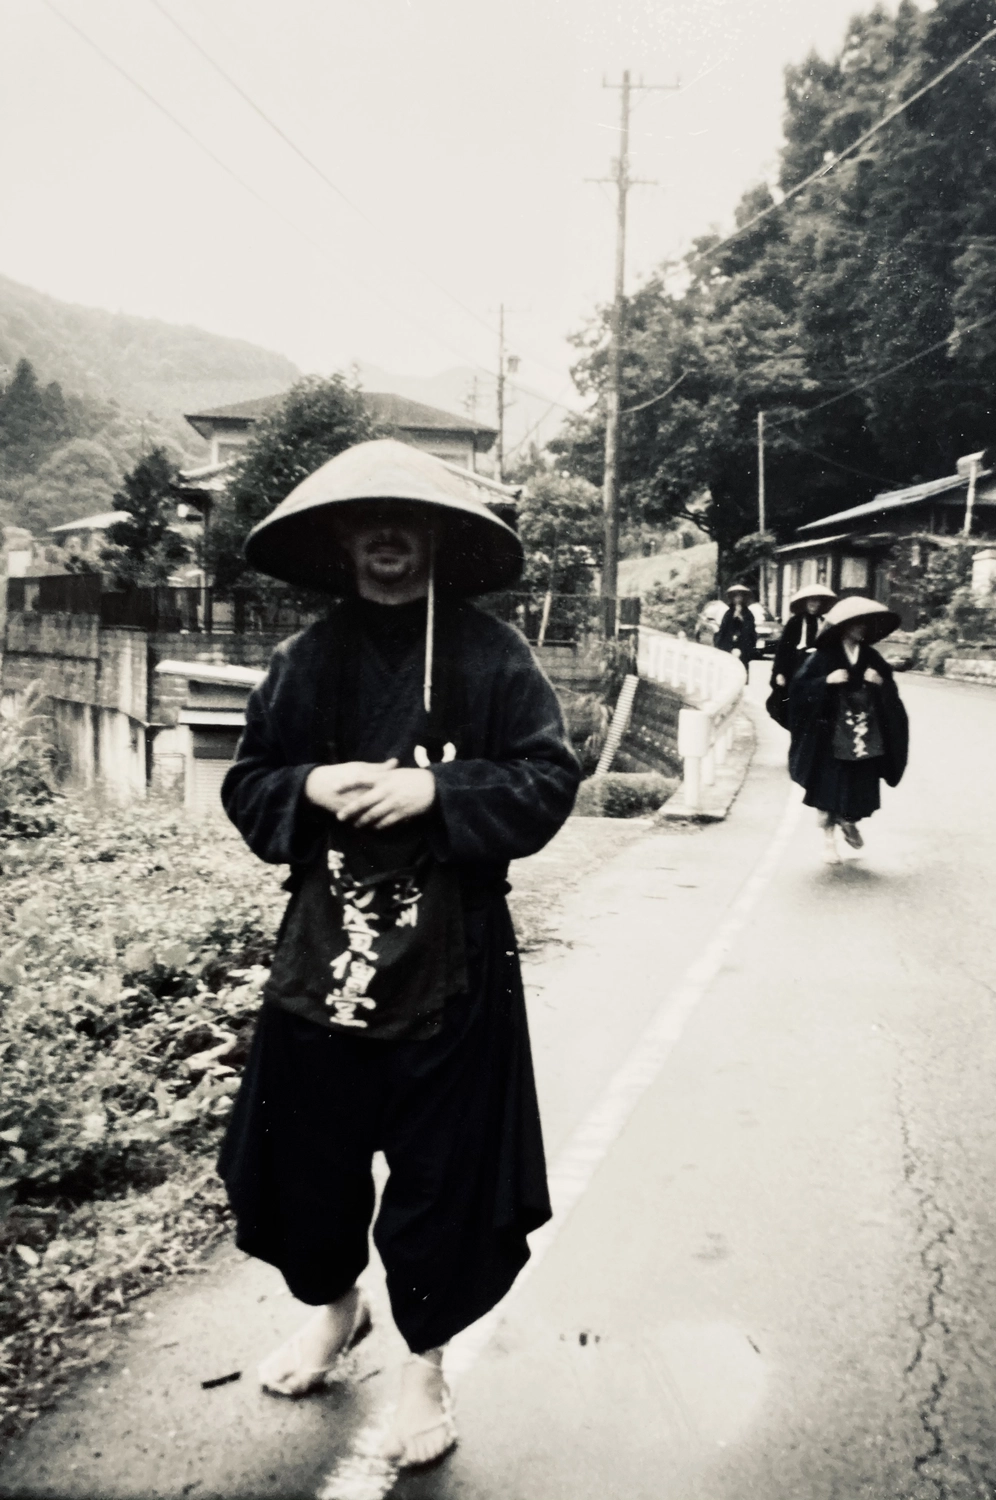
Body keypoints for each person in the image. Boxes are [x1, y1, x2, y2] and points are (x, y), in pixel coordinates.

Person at [218, 438, 581, 1468]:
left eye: (407, 524)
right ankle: (337, 1312)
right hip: (323, 952)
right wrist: (311, 786)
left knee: (444, 1175)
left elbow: (548, 783)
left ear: (436, 539)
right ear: (341, 541)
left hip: (456, 962)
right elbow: (248, 786)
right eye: (368, 525)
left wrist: (439, 793)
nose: (387, 541)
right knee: (303, 1164)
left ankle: (424, 1365)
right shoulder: (305, 662)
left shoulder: (492, 655)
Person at [787, 595, 909, 864]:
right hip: (829, 736)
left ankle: (849, 820)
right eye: (857, 624)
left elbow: (891, 692)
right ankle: (828, 841)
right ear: (843, 626)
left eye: (865, 625)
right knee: (828, 789)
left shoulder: (871, 656)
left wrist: (880, 683)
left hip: (864, 735)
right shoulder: (823, 657)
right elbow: (797, 690)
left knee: (859, 788)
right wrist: (824, 681)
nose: (862, 629)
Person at [766, 583, 837, 729]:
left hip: (815, 668)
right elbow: (783, 649)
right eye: (811, 601)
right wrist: (779, 672)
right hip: (796, 666)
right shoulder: (795, 622)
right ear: (805, 603)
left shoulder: (823, 623)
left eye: (817, 601)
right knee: (791, 702)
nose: (813, 604)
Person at [712, 583, 757, 676]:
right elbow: (724, 628)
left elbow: (750, 629)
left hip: (743, 644)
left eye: (740, 597)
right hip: (729, 644)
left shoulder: (748, 614)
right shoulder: (728, 613)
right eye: (736, 597)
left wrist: (741, 619)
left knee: (742, 666)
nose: (738, 599)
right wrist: (733, 618)